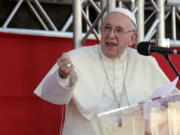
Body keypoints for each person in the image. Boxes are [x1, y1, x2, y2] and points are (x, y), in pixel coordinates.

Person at [34, 7, 171, 135]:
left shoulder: (145, 62)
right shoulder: (75, 58)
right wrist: (62, 75)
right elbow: (52, 96)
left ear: (132, 38)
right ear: (101, 30)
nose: (111, 35)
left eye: (118, 30)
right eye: (107, 28)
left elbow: (169, 104)